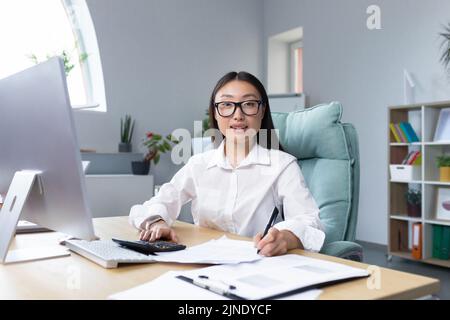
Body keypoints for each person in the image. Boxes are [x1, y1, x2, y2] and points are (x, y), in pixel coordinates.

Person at [129, 71, 325, 256]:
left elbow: (309, 221)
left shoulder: (282, 165)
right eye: (226, 105)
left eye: (248, 104)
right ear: (214, 113)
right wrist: (157, 223)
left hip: (258, 265)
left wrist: (286, 237)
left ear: (262, 110)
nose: (237, 115)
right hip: (203, 262)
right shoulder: (199, 164)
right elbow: (157, 202)